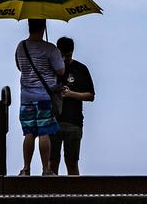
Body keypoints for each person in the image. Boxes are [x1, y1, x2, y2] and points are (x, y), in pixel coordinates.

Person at [15, 18, 65, 176]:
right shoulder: (50, 49)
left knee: (29, 132)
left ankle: (26, 168)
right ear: (43, 27)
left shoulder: (21, 46)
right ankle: (46, 169)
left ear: (29, 26)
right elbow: (61, 71)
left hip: (26, 96)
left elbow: (19, 66)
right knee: (44, 132)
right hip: (44, 96)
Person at [49, 36, 95, 175]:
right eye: (62, 55)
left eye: (68, 55)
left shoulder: (80, 68)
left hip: (73, 122)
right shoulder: (51, 68)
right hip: (53, 121)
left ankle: (75, 194)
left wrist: (71, 94)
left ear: (72, 52)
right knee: (52, 163)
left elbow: (90, 95)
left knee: (72, 163)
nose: (65, 58)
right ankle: (52, 195)